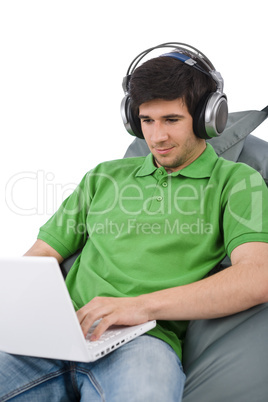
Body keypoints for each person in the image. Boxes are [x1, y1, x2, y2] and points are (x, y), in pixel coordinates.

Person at [1, 42, 268, 402]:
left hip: (141, 342)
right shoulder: (103, 177)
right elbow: (41, 254)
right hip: (56, 338)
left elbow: (257, 275)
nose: (157, 137)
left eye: (171, 120)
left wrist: (138, 307)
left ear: (208, 118)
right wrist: (18, 309)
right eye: (146, 121)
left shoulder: (237, 181)